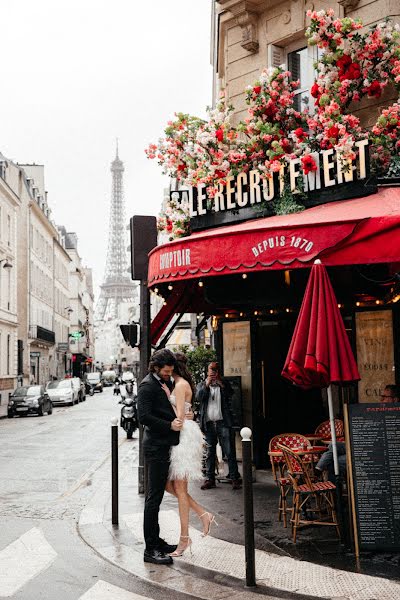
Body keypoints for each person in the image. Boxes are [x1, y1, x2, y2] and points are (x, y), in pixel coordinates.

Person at [165, 353, 217, 557]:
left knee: (178, 487)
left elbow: (178, 417)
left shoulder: (179, 385)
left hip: (182, 438)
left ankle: (184, 539)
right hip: (186, 434)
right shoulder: (182, 383)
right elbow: (184, 411)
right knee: (171, 486)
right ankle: (203, 514)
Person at [137, 349, 182, 565]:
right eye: (166, 371)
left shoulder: (162, 383)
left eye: (171, 371)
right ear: (156, 367)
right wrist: (169, 425)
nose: (169, 374)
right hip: (155, 446)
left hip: (164, 445)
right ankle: (150, 549)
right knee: (153, 498)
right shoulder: (147, 385)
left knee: (157, 498)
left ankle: (156, 540)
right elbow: (143, 416)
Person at [197, 362, 242, 490]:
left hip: (223, 423)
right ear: (207, 373)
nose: (212, 376)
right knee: (210, 453)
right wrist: (207, 384)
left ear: (218, 373)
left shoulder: (224, 385)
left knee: (229, 452)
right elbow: (199, 397)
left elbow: (230, 394)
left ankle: (234, 478)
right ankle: (210, 479)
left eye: (214, 373)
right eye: (210, 373)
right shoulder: (202, 385)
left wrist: (221, 384)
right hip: (209, 424)